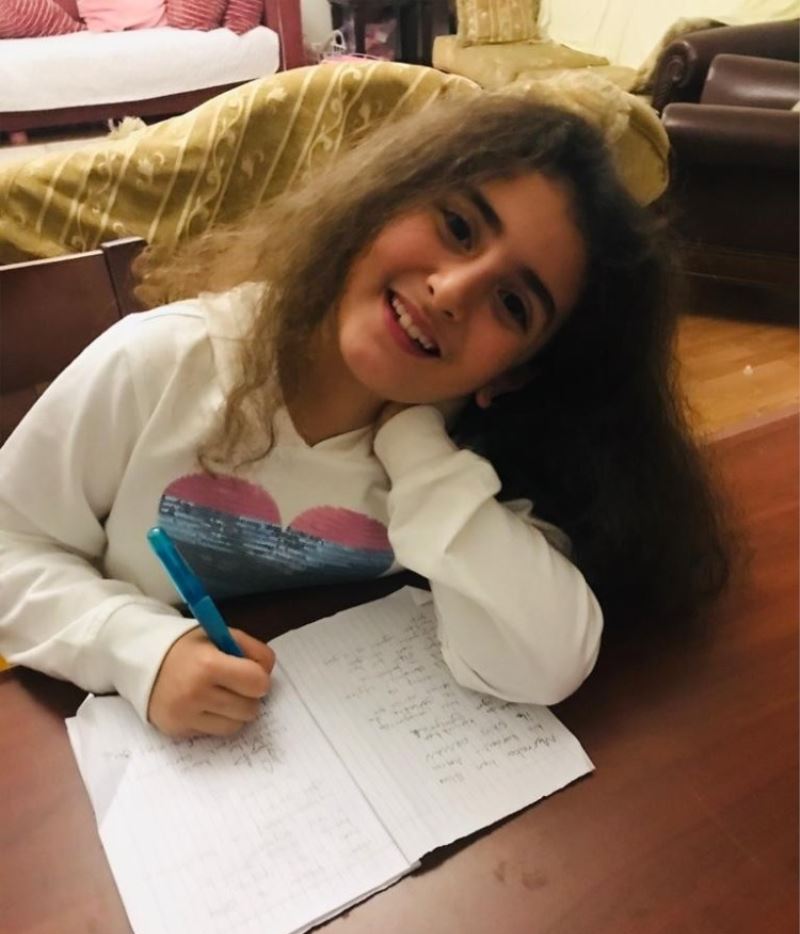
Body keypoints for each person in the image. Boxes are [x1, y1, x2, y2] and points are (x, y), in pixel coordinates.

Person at [0, 94, 730, 740]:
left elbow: (545, 661)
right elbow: (10, 545)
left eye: (513, 304)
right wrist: (137, 649)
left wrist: (414, 445)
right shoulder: (159, 363)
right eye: (457, 225)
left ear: (515, 371)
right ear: (383, 199)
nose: (452, 291)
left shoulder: (481, 449)